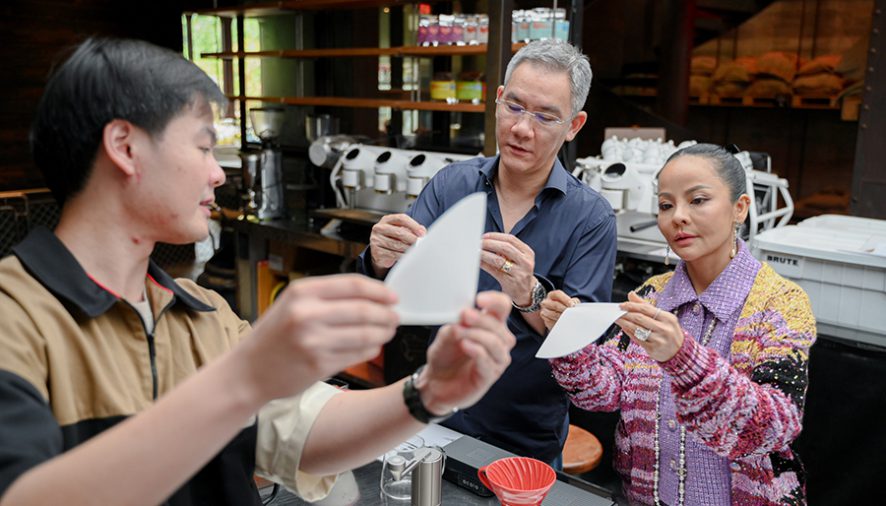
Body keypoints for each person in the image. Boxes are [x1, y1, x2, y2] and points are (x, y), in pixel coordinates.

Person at [0, 37, 517, 506]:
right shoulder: (15, 317)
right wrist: (244, 377)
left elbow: (304, 432)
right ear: (126, 147)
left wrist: (429, 393)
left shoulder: (201, 314)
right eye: (203, 146)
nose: (217, 171)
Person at [359, 39, 617, 465]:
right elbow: (394, 293)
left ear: (574, 125)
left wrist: (529, 293)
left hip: (525, 435)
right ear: (497, 100)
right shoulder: (451, 186)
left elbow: (584, 353)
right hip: (436, 414)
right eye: (514, 106)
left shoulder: (591, 218)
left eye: (545, 116)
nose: (521, 129)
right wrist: (381, 260)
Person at [541, 143, 816, 505]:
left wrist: (683, 359)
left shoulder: (781, 305)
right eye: (666, 205)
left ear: (740, 208)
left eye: (698, 200)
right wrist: (569, 336)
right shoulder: (652, 295)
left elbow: (775, 426)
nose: (678, 217)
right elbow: (602, 392)